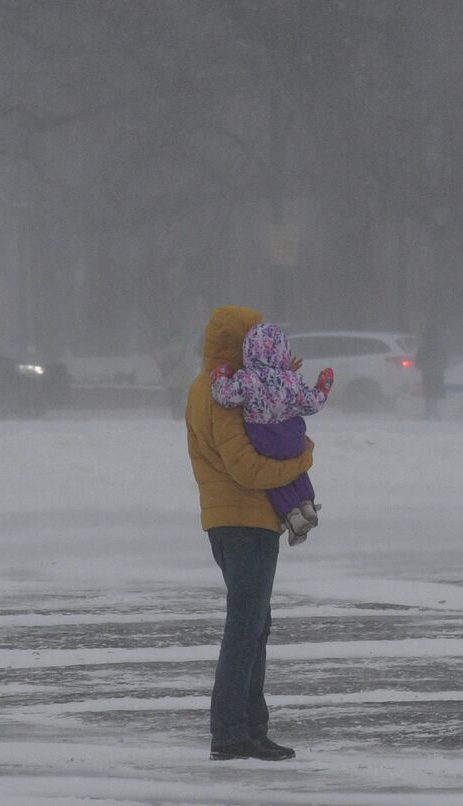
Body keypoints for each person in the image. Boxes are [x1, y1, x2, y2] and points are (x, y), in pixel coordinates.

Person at [186, 305, 314, 761]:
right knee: (245, 627)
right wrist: (303, 458)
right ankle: (231, 733)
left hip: (231, 519)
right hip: (245, 521)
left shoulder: (215, 386)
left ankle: (251, 728)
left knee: (255, 625)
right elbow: (246, 466)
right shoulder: (224, 396)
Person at [210, 322, 334, 546]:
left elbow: (226, 396)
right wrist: (323, 386)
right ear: (283, 351)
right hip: (292, 435)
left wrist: (220, 375)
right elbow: (311, 405)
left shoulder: (246, 378)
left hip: (263, 437)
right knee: (294, 466)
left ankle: (292, 514)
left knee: (273, 476)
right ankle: (308, 504)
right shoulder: (290, 380)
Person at [414, 324, 446, 420]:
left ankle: (427, 413)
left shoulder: (422, 349)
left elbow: (417, 363)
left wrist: (425, 367)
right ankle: (436, 413)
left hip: (427, 374)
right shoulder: (440, 348)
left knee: (428, 394)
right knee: (435, 395)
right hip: (438, 374)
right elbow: (446, 362)